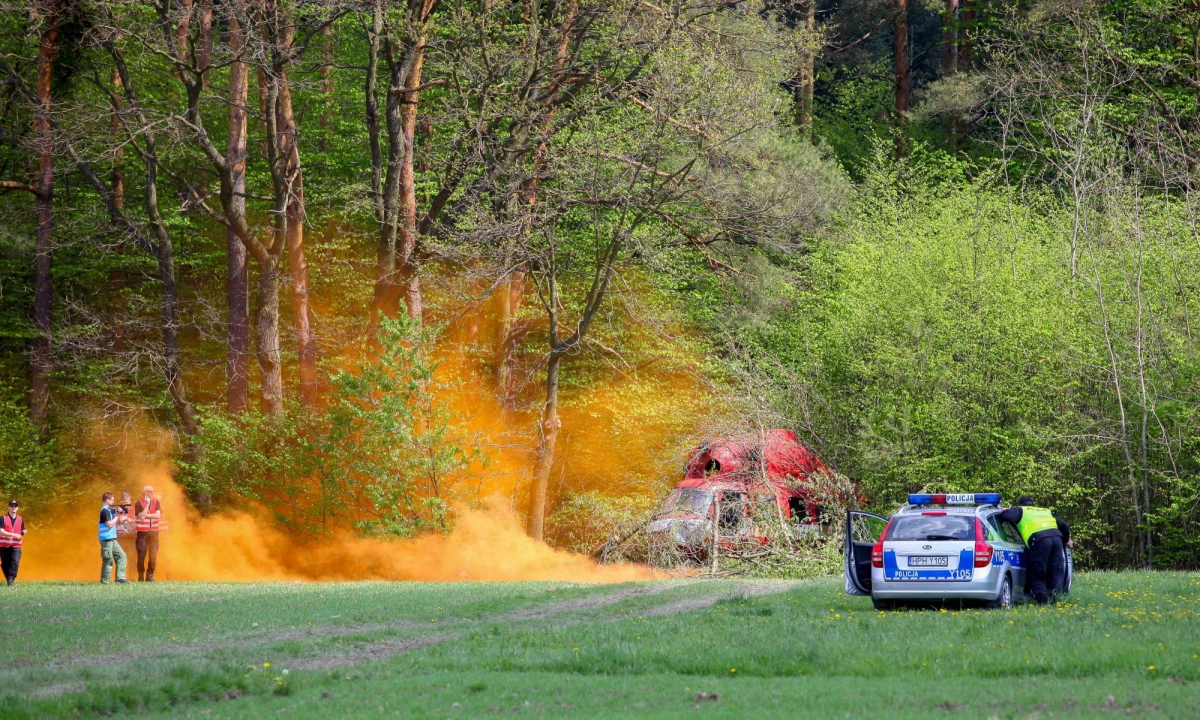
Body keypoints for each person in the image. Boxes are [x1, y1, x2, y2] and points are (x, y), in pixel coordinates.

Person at [996, 496, 1074, 604]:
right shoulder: (1045, 511)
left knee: (1038, 571)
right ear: (1033, 504)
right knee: (1055, 570)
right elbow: (1064, 525)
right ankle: (1055, 599)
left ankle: (1042, 600)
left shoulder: (1021, 510)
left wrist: (1004, 510)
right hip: (1057, 539)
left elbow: (1005, 516)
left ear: (1020, 504)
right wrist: (1066, 539)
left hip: (1040, 540)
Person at [99, 492, 131, 585]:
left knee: (122, 556)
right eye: (112, 500)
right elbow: (109, 524)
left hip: (112, 538)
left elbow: (118, 520)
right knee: (108, 559)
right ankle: (105, 581)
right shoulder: (104, 510)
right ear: (107, 500)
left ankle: (120, 578)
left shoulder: (109, 510)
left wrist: (122, 511)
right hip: (106, 539)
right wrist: (117, 516)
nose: (113, 502)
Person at [134, 485, 163, 582]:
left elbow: (157, 515)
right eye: (150, 491)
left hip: (154, 533)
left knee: (153, 555)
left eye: (153, 491)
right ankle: (141, 575)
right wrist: (147, 505)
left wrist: (146, 515)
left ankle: (150, 575)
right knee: (141, 555)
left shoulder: (156, 502)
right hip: (142, 533)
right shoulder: (139, 503)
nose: (152, 493)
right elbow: (141, 517)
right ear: (145, 492)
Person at [0, 500, 26, 586]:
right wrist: (14, 535)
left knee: (15, 561)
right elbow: (1, 532)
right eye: (12, 505)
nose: (13, 507)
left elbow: (23, 529)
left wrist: (24, 531)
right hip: (4, 545)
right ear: (8, 507)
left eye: (15, 506)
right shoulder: (3, 518)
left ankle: (11, 579)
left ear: (17, 508)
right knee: (5, 563)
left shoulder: (20, 519)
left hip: (16, 545)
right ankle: (9, 578)